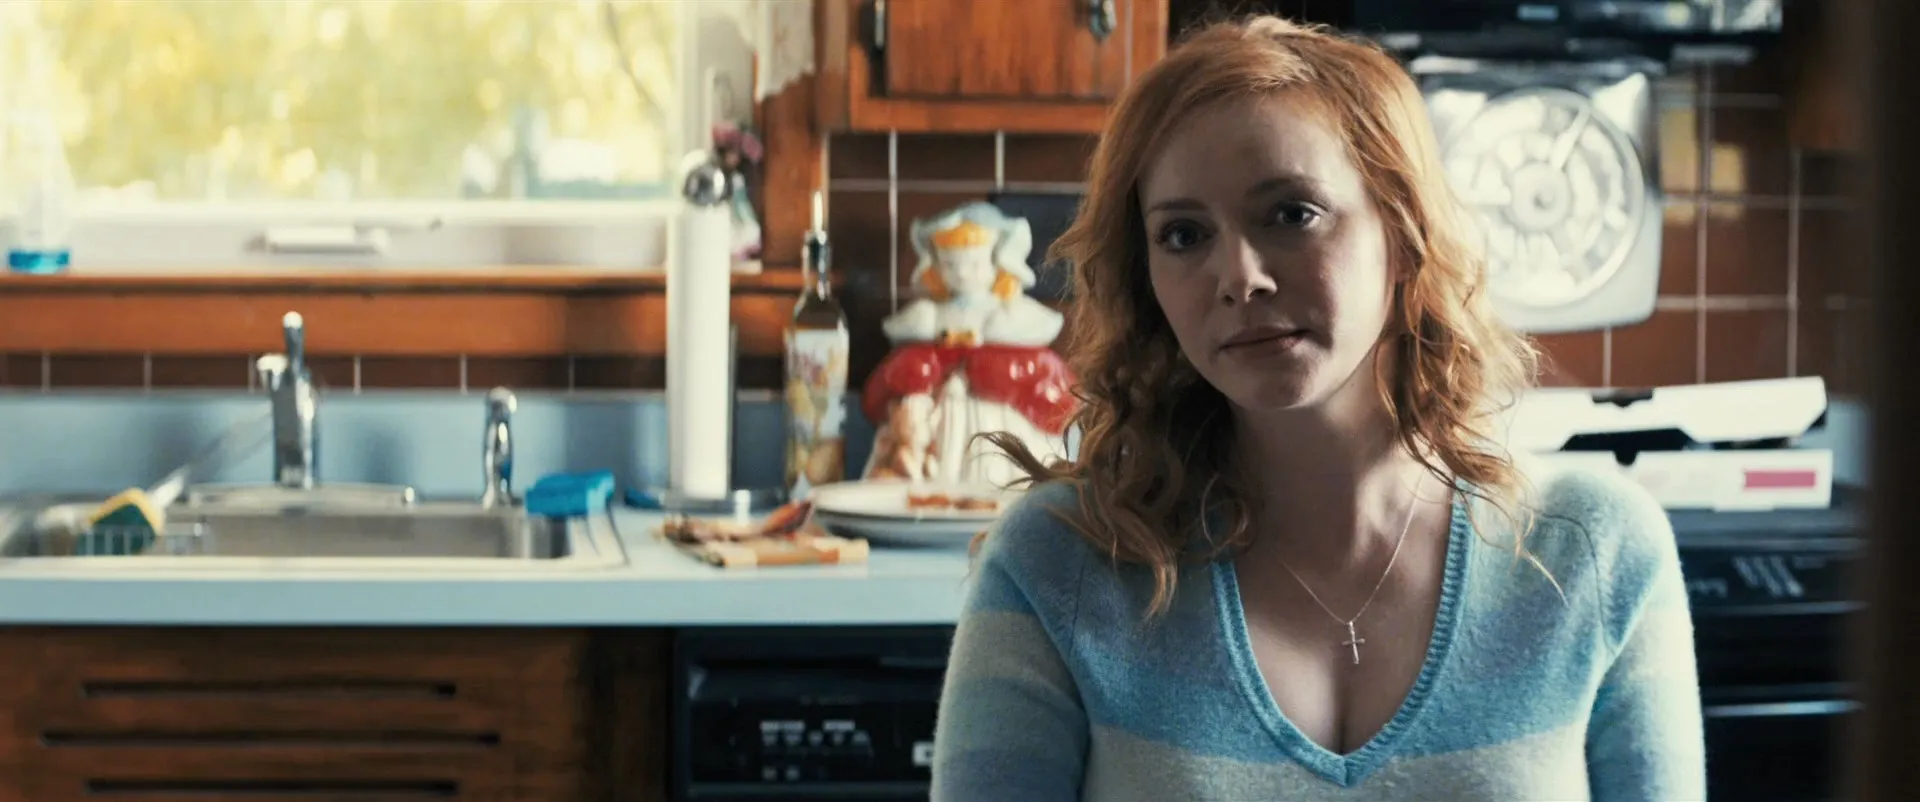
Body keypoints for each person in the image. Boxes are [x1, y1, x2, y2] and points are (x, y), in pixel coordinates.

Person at [930, 14, 1704, 802]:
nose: (1239, 277)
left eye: (1291, 213)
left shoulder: (1598, 552)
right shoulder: (1058, 565)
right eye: (1184, 235)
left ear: (1403, 234)